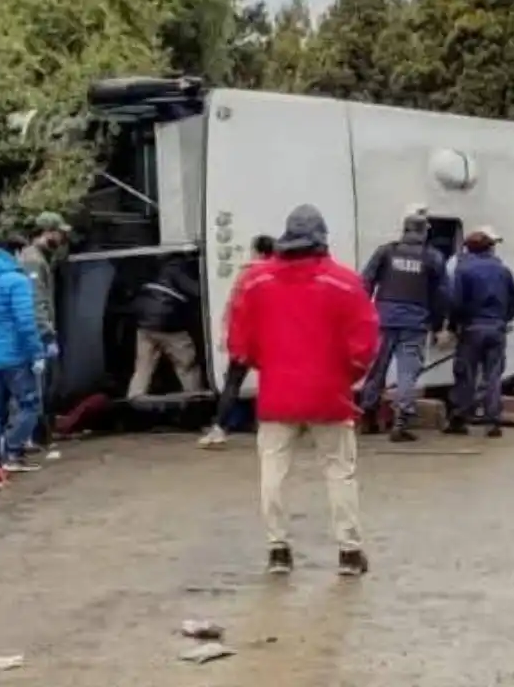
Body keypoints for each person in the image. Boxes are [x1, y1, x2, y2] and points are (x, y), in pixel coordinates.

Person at [226, 204, 379, 577]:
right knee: (339, 471)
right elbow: (365, 342)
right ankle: (349, 552)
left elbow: (239, 343)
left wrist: (271, 365)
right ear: (322, 240)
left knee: (273, 470)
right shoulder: (345, 282)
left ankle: (278, 549)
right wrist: (346, 375)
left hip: (277, 393)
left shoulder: (255, 282)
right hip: (330, 394)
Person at [357, 212, 449, 442]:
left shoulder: (386, 251)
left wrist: (362, 312)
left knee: (377, 369)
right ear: (424, 232)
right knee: (408, 372)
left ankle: (367, 417)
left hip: (383, 319)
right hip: (415, 323)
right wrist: (438, 325)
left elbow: (365, 282)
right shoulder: (433, 257)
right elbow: (442, 295)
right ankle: (401, 421)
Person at [0, 236, 47, 473]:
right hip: (15, 355)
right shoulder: (17, 281)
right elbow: (25, 321)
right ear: (14, 254)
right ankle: (13, 452)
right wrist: (37, 353)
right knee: (29, 404)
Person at [444, 226, 514, 436]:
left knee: (465, 374)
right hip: (496, 329)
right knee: (493, 376)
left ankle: (459, 418)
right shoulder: (503, 270)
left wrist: (452, 326)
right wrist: (505, 319)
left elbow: (456, 301)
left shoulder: (463, 270)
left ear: (469, 249)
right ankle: (493, 421)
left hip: (471, 329)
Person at [199, 234, 276, 447]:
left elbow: (234, 306)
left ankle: (219, 429)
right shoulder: (280, 273)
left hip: (245, 337)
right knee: (273, 381)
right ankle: (275, 428)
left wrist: (226, 333)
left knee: (233, 382)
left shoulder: (247, 274)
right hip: (271, 336)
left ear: (257, 251)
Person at [18, 211, 71, 448]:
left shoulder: (42, 258)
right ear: (47, 232)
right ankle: (30, 437)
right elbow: (35, 300)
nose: (61, 238)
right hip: (37, 335)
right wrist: (47, 332)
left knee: (41, 386)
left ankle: (35, 436)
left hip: (38, 333)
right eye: (59, 233)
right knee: (35, 387)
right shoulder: (33, 260)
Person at [127, 255, 204, 399]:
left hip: (143, 321)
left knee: (143, 366)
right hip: (167, 321)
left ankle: (134, 399)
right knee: (186, 364)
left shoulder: (155, 267)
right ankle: (196, 398)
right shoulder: (179, 268)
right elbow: (198, 291)